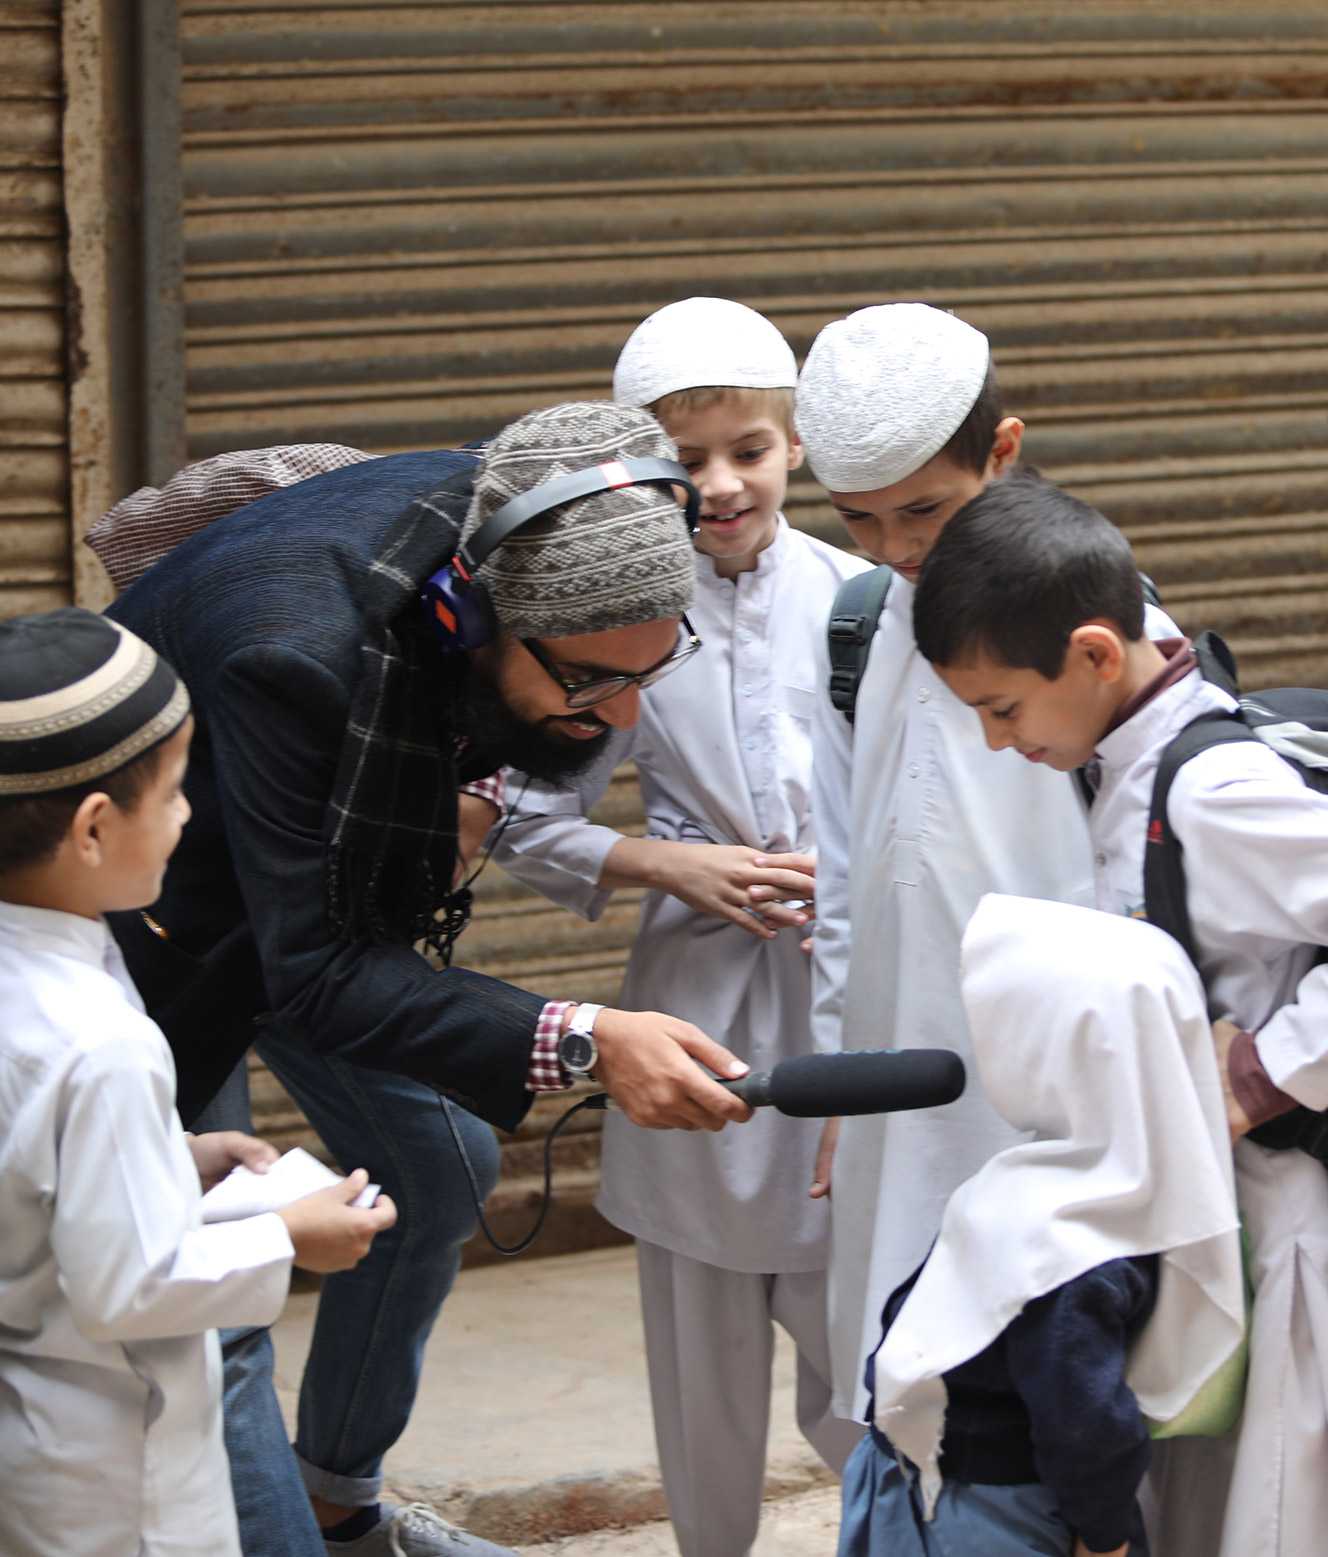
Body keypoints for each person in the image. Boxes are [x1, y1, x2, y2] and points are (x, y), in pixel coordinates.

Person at [104, 400, 758, 1557]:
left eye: (651, 672)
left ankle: (335, 1500)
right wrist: (589, 1035)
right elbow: (315, 972)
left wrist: (489, 785)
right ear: (475, 615)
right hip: (167, 934)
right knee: (223, 1297)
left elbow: (518, 737)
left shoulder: (531, 511)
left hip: (316, 904)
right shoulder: (295, 654)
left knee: (437, 1165)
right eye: (594, 685)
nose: (627, 716)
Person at [911, 475, 1328, 1555]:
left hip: (1290, 1238)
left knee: (1288, 1521)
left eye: (1001, 709)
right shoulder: (1124, 729)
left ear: (1091, 656)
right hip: (1216, 1230)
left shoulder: (1209, 788)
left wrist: (1262, 1072)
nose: (997, 743)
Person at [479, 298, 865, 1554]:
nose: (719, 484)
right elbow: (525, 818)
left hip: (849, 1004)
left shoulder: (866, 600)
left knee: (860, 1353)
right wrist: (668, 862)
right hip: (689, 1012)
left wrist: (855, 876)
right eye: (685, 459)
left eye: (747, 449)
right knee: (699, 1369)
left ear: (793, 446)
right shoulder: (616, 611)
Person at [798, 302, 1171, 1419]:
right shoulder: (858, 624)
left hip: (1051, 1093)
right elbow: (844, 868)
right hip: (893, 1077)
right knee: (896, 1371)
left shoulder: (1104, 626)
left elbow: (1146, 883)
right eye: (858, 521)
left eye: (922, 509)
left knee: (1046, 1393)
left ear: (1001, 452)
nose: (895, 547)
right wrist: (836, 1068)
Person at [0, 609, 395, 1557]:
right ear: (95, 828)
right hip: (113, 1479)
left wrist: (171, 1156)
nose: (187, 817)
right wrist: (290, 1237)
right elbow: (130, 1289)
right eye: (176, 792)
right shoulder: (102, 1041)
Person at [841, 894, 1245, 1557]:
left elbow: (1078, 1418)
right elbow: (1087, 1421)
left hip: (955, 1494)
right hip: (974, 1500)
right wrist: (1109, 1533)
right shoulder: (1103, 1208)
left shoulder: (1049, 1210)